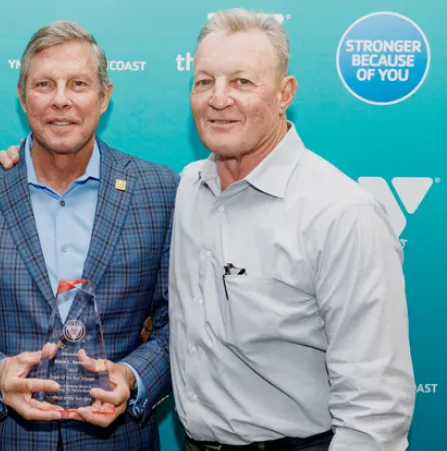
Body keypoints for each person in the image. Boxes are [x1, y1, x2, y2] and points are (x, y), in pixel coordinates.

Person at [169, 9, 415, 451]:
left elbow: (376, 410)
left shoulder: (342, 214)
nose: (218, 98)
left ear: (285, 94)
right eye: (204, 81)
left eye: (242, 82)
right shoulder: (189, 187)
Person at [0, 21, 177, 450]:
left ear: (104, 96)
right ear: (22, 96)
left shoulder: (160, 192)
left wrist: (132, 377)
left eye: (78, 84)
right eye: (43, 84)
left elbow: (178, 326)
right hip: (2, 440)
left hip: (118, 440)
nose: (61, 100)